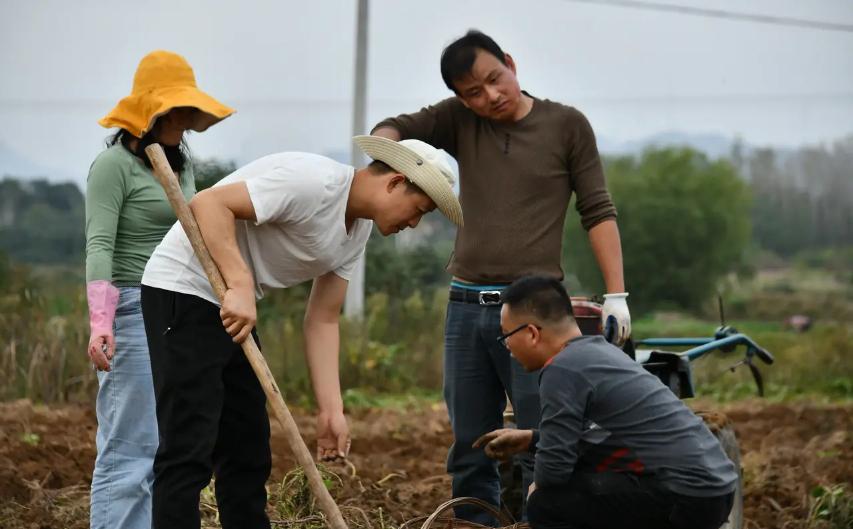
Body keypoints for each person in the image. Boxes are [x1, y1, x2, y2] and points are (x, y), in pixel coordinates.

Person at [371, 29, 630, 523]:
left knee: (546, 441)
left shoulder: (567, 125)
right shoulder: (459, 121)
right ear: (458, 97)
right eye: (473, 92)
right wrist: (388, 159)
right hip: (466, 307)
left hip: (537, 312)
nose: (489, 96)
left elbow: (597, 210)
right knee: (470, 448)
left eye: (495, 79)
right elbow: (392, 127)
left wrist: (616, 293)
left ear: (510, 64)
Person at [139, 135, 463, 529]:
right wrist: (240, 283)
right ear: (395, 182)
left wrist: (332, 410)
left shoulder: (356, 230)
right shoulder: (313, 182)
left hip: (230, 302)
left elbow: (323, 319)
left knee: (248, 447)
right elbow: (209, 203)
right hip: (185, 288)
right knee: (189, 445)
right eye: (419, 210)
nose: (413, 223)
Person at [85, 50, 234, 529]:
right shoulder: (113, 167)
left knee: (164, 443)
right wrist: (100, 322)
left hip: (173, 309)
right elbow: (100, 245)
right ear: (153, 112)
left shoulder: (178, 163)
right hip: (128, 309)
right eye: (177, 112)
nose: (186, 123)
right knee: (129, 448)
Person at [473, 275, 737, 529]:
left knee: (545, 504)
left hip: (686, 495)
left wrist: (537, 487)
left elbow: (553, 470)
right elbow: (603, 438)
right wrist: (531, 439)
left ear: (531, 333)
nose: (507, 346)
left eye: (506, 336)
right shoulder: (599, 352)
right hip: (715, 488)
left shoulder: (561, 369)